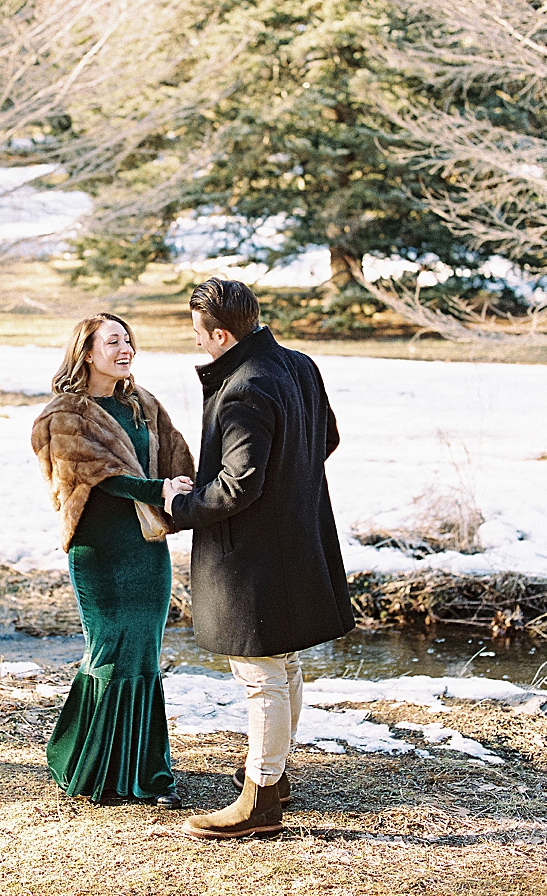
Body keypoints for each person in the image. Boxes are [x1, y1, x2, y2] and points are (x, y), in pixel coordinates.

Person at [164, 278, 352, 839]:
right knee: (284, 660)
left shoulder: (243, 387)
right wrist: (290, 487)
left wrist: (180, 504)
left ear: (221, 334)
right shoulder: (299, 365)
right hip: (297, 537)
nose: (196, 343)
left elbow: (237, 486)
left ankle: (262, 797)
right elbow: (327, 439)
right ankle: (276, 776)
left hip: (251, 555)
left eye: (198, 333)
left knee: (260, 671)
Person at [30, 313, 196, 807]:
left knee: (144, 654)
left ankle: (149, 773)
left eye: (128, 340)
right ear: (86, 352)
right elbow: (97, 478)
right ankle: (91, 766)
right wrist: (157, 490)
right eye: (112, 342)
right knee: (108, 651)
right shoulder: (65, 415)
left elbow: (176, 458)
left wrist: (194, 496)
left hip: (147, 549)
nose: (125, 349)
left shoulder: (143, 405)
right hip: (99, 549)